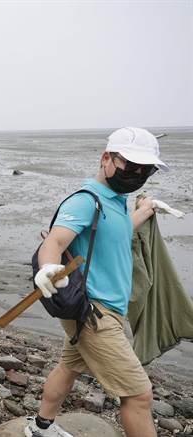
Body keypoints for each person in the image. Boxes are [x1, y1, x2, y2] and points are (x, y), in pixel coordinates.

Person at [26, 127, 167, 437]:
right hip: (93, 314)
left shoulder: (116, 201)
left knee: (69, 367)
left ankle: (40, 428)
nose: (137, 173)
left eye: (146, 169)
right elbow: (55, 241)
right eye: (130, 165)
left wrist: (144, 210)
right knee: (139, 395)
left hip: (104, 311)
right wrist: (48, 268)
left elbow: (116, 233)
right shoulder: (85, 201)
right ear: (107, 158)